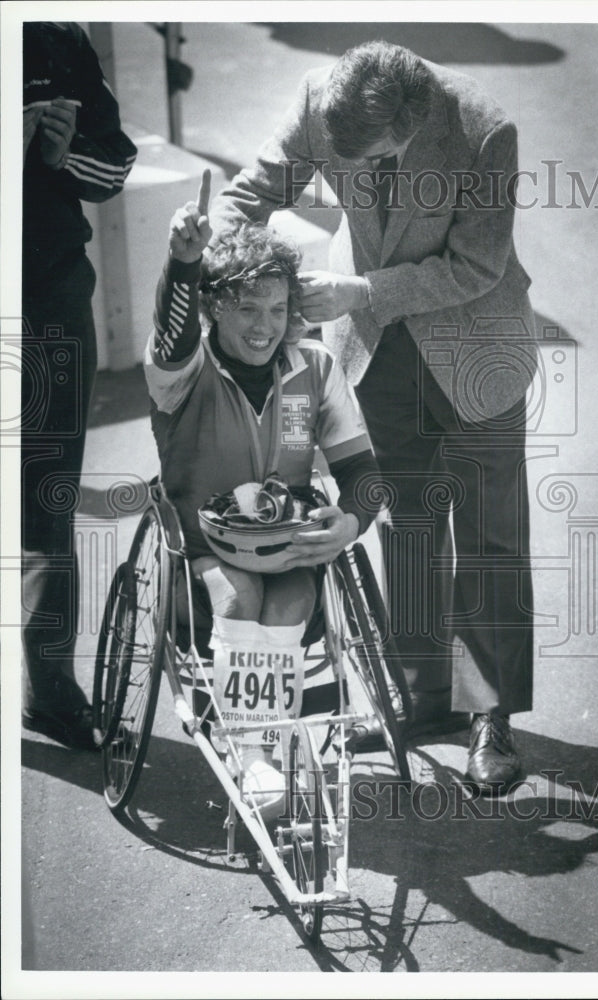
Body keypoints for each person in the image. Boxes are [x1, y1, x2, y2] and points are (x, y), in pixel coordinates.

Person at [209, 40, 539, 795]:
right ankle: (424, 699)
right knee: (406, 522)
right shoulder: (322, 98)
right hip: (380, 355)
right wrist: (214, 260)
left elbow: (478, 266)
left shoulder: (485, 130)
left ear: (414, 124)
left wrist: (361, 291)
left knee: (489, 533)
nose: (350, 170)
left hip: (475, 347)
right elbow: (254, 190)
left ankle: (490, 716)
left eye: (378, 157)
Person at [144, 170, 380, 811]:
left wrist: (349, 523)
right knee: (239, 594)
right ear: (215, 305)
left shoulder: (317, 366)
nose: (264, 326)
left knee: (291, 600)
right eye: (247, 308)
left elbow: (364, 477)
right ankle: (253, 755)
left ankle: (264, 747)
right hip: (203, 551)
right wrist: (182, 262)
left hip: (288, 549)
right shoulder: (183, 371)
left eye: (278, 310)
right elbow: (170, 334)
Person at [21, 22, 138, 750]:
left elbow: (115, 167)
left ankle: (50, 689)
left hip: (48, 293)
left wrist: (61, 154)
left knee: (45, 500)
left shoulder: (57, 37)